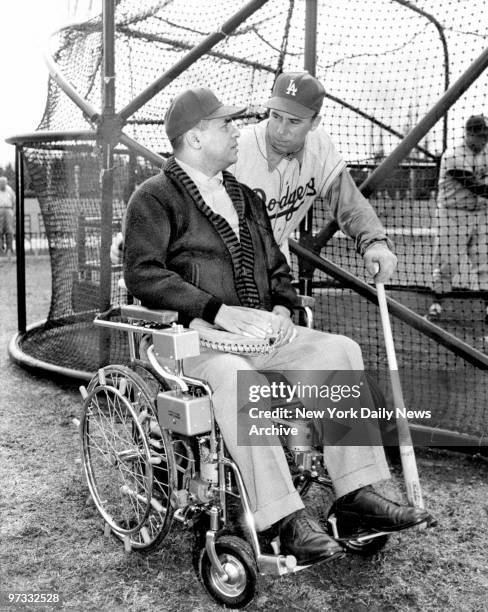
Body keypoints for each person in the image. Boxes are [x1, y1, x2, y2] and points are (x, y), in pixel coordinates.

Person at [123, 87, 432, 566]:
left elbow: (276, 271)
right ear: (195, 138)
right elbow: (143, 273)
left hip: (263, 337)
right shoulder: (154, 197)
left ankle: (355, 497)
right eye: (226, 125)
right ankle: (283, 519)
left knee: (340, 351)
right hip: (191, 342)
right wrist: (216, 310)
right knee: (235, 378)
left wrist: (285, 309)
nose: (237, 132)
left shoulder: (244, 197)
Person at [113, 71, 397, 285]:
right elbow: (176, 183)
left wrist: (374, 242)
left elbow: (348, 203)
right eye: (276, 116)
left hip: (270, 266)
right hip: (215, 267)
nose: (280, 129)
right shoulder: (238, 148)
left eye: (294, 121)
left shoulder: (319, 147)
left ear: (315, 123)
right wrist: (132, 236)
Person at [426, 115, 488, 321]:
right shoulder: (454, 155)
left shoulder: (486, 152)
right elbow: (475, 186)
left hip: (480, 215)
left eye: (486, 136)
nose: (484, 140)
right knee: (447, 263)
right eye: (481, 136)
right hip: (452, 215)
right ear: (469, 134)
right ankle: (437, 302)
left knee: (485, 262)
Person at [0, 177, 15, 261]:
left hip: (9, 210)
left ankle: (9, 250)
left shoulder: (10, 190)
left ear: (6, 183)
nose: (2, 185)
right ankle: (1, 250)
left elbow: (14, 202)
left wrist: (13, 212)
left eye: (4, 183)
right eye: (1, 183)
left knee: (9, 231)